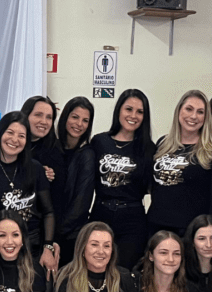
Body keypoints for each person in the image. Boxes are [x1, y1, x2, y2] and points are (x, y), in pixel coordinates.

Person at [66, 90, 155, 268]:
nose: (133, 115)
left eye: (139, 112)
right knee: (95, 268)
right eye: (128, 109)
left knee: (124, 272)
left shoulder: (148, 148)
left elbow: (150, 186)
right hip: (101, 213)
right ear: (119, 110)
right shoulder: (100, 142)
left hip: (132, 220)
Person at [0, 112, 59, 275]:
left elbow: (48, 212)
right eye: (10, 132)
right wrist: (3, 251)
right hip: (1, 250)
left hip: (34, 248)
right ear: (0, 133)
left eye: (21, 136)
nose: (15, 139)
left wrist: (48, 247)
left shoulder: (36, 168)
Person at [148, 90, 212, 237]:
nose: (193, 116)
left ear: (206, 117)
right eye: (189, 109)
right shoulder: (162, 144)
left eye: (200, 112)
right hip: (156, 227)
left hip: (191, 232)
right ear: (179, 111)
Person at [23, 96, 70, 235]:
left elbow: (56, 202)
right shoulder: (6, 143)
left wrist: (51, 241)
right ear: (25, 115)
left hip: (38, 231)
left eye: (49, 117)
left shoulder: (55, 151)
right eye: (38, 115)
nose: (44, 121)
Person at [55, 96, 94, 261]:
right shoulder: (51, 148)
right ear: (65, 117)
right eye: (75, 117)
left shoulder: (87, 155)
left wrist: (56, 234)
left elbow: (81, 205)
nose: (79, 124)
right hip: (47, 233)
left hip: (70, 236)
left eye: (85, 120)